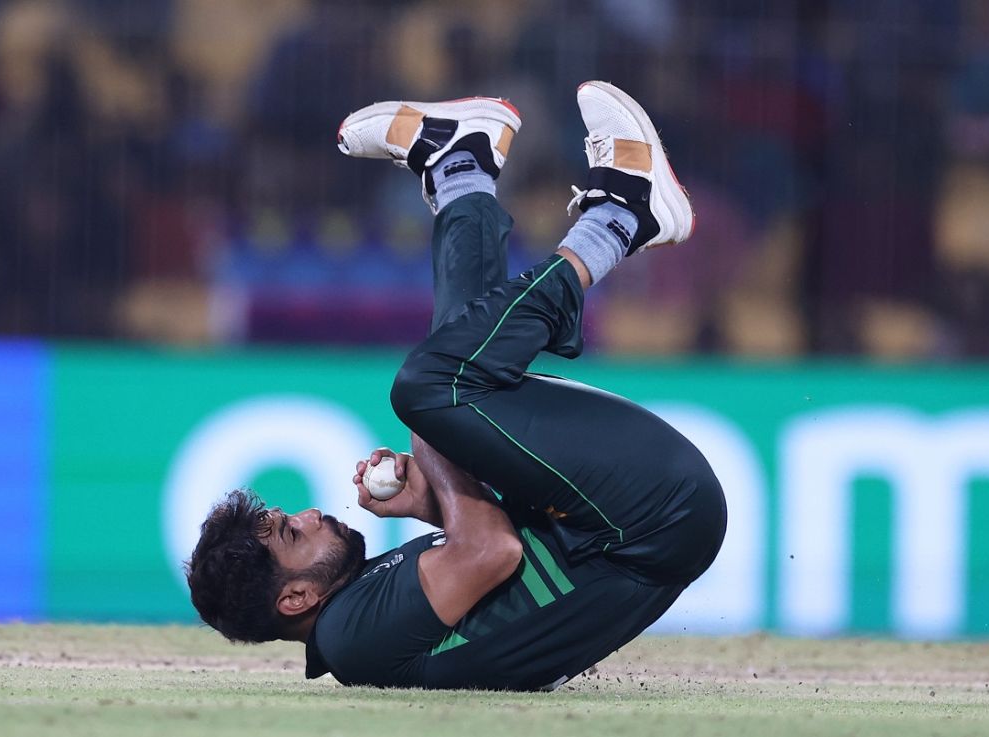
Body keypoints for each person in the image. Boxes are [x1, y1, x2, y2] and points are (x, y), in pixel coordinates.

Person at [185, 82, 727, 691]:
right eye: (292, 533)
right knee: (428, 392)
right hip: (648, 523)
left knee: (449, 376)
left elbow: (504, 562)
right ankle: (626, 212)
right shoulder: (351, 637)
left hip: (629, 521)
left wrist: (430, 500)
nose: (310, 514)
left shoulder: (355, 614)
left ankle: (460, 166)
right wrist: (435, 453)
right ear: (296, 598)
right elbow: (492, 552)